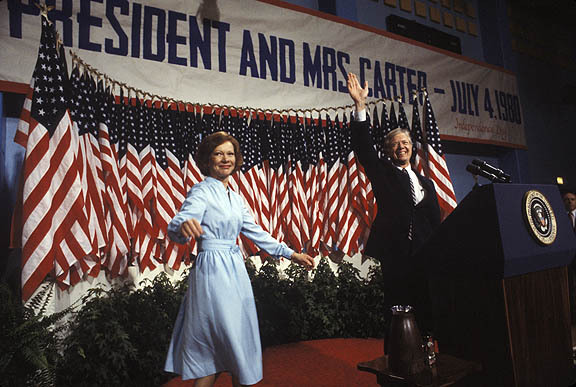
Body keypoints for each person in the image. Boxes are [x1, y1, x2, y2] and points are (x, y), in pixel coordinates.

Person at [164, 131, 315, 387]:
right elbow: (180, 222)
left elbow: (256, 233)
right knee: (218, 342)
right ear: (207, 159)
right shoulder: (201, 191)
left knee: (236, 341)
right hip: (212, 272)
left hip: (235, 271)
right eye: (219, 153)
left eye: (230, 153)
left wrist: (291, 253)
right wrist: (182, 225)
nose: (226, 159)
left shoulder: (235, 197)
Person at [347, 73, 441, 331]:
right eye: (396, 144)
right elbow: (364, 148)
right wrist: (360, 107)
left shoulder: (427, 183)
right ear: (388, 150)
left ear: (413, 147)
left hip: (423, 256)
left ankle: (426, 351)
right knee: (398, 311)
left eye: (406, 142)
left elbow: (434, 221)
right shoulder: (383, 172)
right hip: (396, 255)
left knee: (425, 308)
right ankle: (398, 359)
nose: (402, 147)